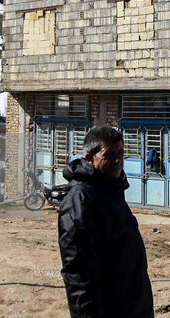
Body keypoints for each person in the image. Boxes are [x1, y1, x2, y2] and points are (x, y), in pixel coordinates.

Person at [58, 126, 154, 317]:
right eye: (108, 155)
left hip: (134, 304)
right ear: (89, 158)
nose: (118, 160)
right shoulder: (81, 200)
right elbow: (78, 274)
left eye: (121, 153)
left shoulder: (111, 191)